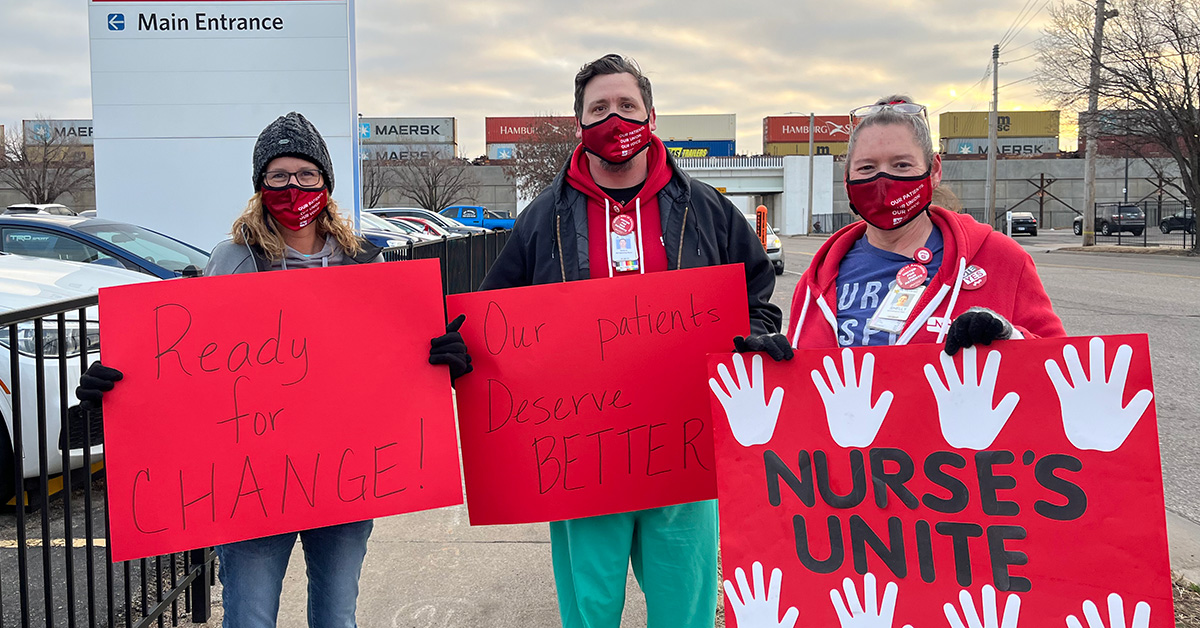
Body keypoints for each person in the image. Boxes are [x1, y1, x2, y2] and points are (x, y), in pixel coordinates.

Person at [75, 112, 472, 628]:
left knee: (336, 616)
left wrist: (443, 361)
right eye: (279, 175)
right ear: (260, 186)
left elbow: (394, 362)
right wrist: (119, 380)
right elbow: (192, 361)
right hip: (252, 483)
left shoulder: (366, 264)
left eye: (306, 174)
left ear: (326, 183)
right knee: (250, 616)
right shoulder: (231, 259)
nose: (293, 187)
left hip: (345, 474)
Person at [477, 54, 783, 628]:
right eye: (599, 109)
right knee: (589, 614)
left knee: (686, 609)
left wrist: (758, 336)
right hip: (581, 458)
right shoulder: (543, 219)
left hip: (684, 452)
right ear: (579, 125)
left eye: (626, 106)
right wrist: (462, 350)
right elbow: (496, 316)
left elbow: (757, 290)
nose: (614, 119)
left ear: (651, 116)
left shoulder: (708, 209)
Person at [773, 95, 1064, 354]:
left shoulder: (1001, 258)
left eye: (901, 165)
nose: (883, 180)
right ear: (847, 177)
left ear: (933, 170)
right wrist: (766, 366)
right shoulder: (819, 277)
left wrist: (1010, 337)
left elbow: (1061, 364)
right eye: (867, 167)